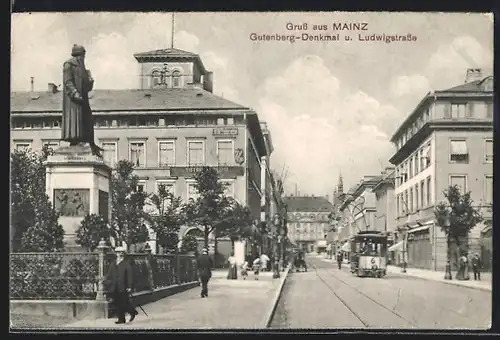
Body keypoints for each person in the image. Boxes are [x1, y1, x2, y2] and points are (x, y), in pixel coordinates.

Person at [62, 44, 103, 156]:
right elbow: (67, 82)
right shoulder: (69, 65)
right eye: (82, 55)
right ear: (78, 55)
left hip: (83, 99)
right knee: (75, 120)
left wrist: (90, 81)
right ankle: (75, 141)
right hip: (73, 101)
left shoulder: (83, 69)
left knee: (88, 119)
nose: (83, 58)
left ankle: (90, 143)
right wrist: (75, 93)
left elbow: (87, 87)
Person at [104, 246, 138, 324]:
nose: (119, 254)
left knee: (123, 302)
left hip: (123, 286)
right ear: (116, 254)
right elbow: (109, 274)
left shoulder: (126, 264)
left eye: (121, 252)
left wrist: (129, 286)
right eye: (118, 252)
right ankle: (122, 318)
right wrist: (105, 280)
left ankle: (131, 312)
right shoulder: (113, 263)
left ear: (123, 254)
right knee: (116, 302)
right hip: (114, 286)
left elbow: (130, 275)